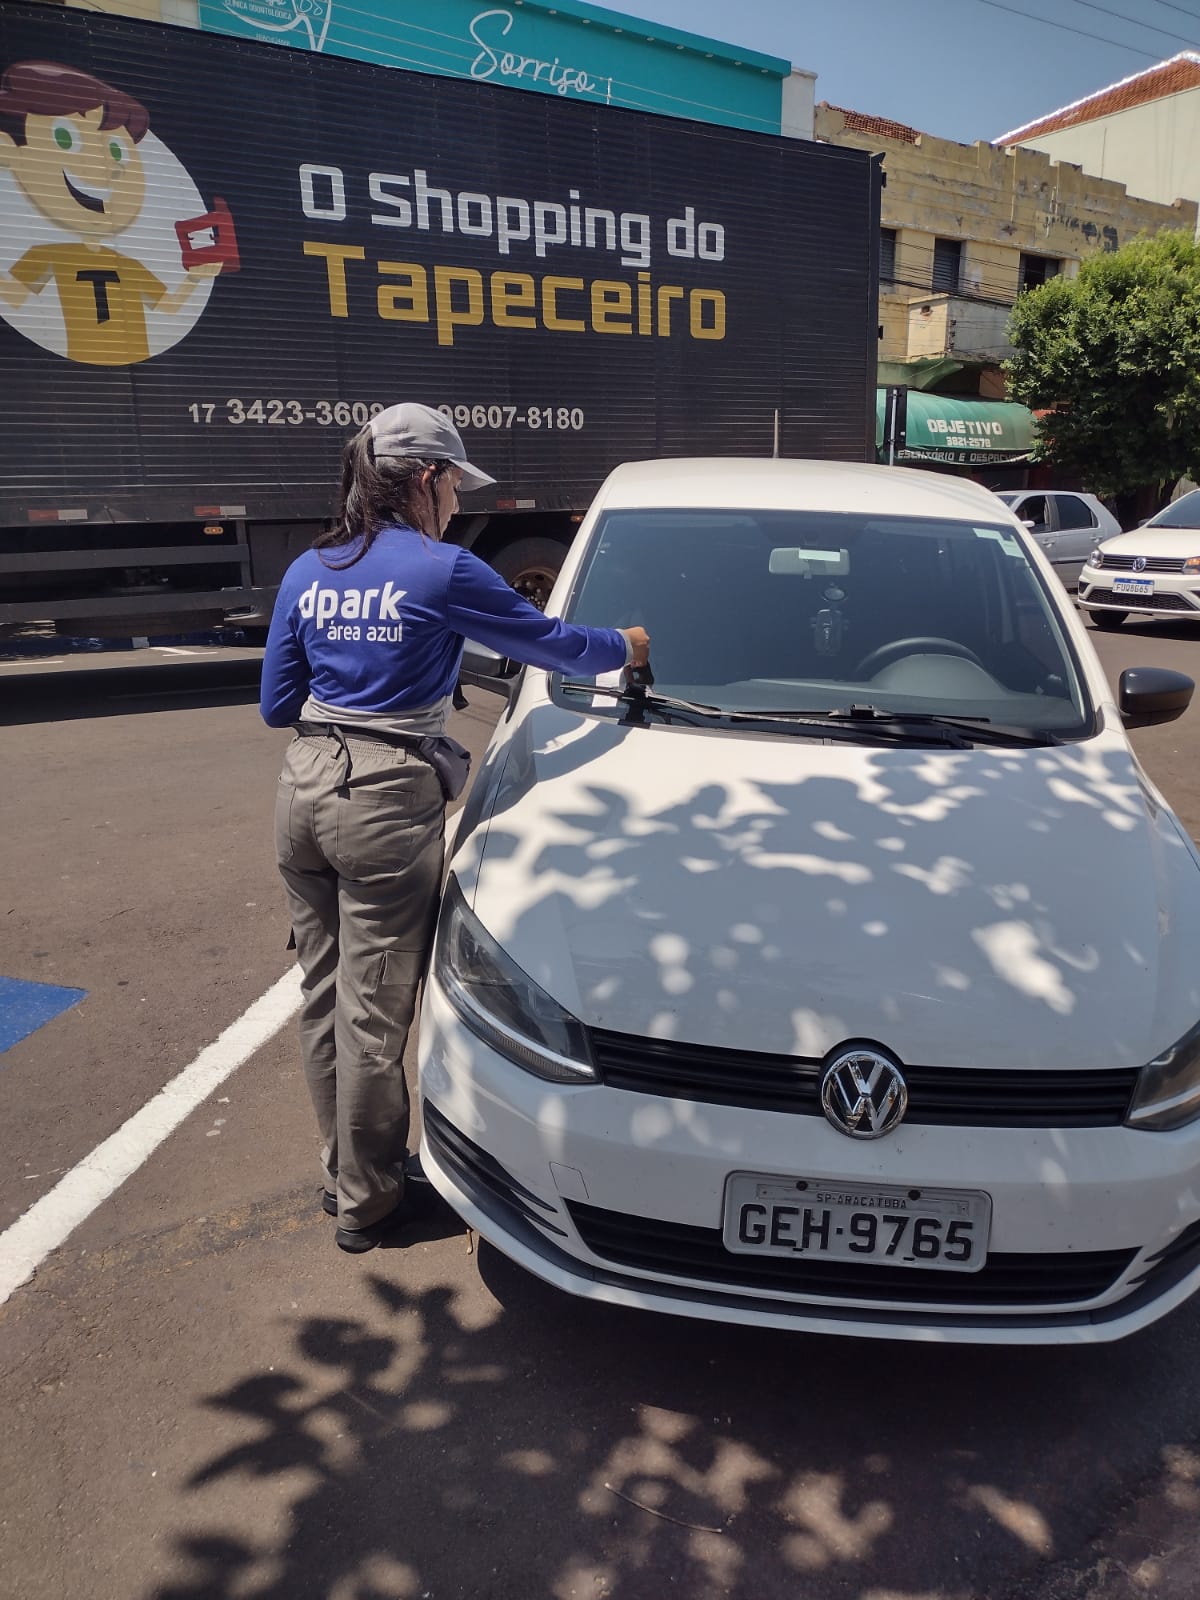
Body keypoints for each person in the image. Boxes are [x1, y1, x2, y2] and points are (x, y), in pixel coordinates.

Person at [260, 403, 650, 1253]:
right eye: (455, 487)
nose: (457, 504)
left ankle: (342, 1172)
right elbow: (555, 646)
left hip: (303, 789)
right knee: (373, 1013)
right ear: (428, 479)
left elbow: (276, 704)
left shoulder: (308, 569)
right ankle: (370, 1204)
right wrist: (626, 645)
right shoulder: (442, 571)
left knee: (322, 996)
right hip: (381, 800)